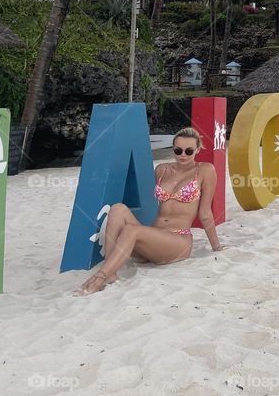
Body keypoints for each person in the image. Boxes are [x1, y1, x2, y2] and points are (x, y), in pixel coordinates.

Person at [75, 127, 222, 296]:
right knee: (117, 209)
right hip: (153, 239)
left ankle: (101, 276)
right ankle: (111, 272)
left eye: (189, 151)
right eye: (178, 150)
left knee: (132, 230)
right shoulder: (162, 170)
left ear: (197, 149)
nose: (183, 155)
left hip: (178, 241)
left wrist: (216, 247)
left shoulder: (205, 170)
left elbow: (204, 213)